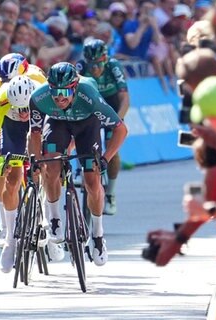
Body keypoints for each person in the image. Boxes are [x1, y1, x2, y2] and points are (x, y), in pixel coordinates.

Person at [28, 62, 128, 266]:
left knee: (92, 180)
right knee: (51, 166)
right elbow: (35, 133)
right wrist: (36, 160)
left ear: (74, 88)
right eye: (55, 91)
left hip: (86, 124)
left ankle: (98, 235)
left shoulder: (89, 96)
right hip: (57, 123)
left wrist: (105, 158)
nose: (59, 97)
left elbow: (120, 129)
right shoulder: (39, 98)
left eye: (65, 91)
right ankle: (54, 218)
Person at [0, 53, 46, 249]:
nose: (7, 83)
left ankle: (44, 215)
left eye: (10, 80)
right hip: (7, 117)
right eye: (5, 80)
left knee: (44, 162)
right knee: (4, 168)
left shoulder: (39, 81)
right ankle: (4, 224)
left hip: (35, 116)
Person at [76, 39, 130, 215]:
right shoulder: (80, 66)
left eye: (98, 64)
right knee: (77, 132)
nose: (94, 68)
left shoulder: (114, 66)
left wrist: (118, 121)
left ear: (105, 59)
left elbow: (124, 98)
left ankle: (110, 194)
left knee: (112, 149)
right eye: (91, 64)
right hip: (89, 104)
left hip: (111, 105)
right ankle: (78, 169)